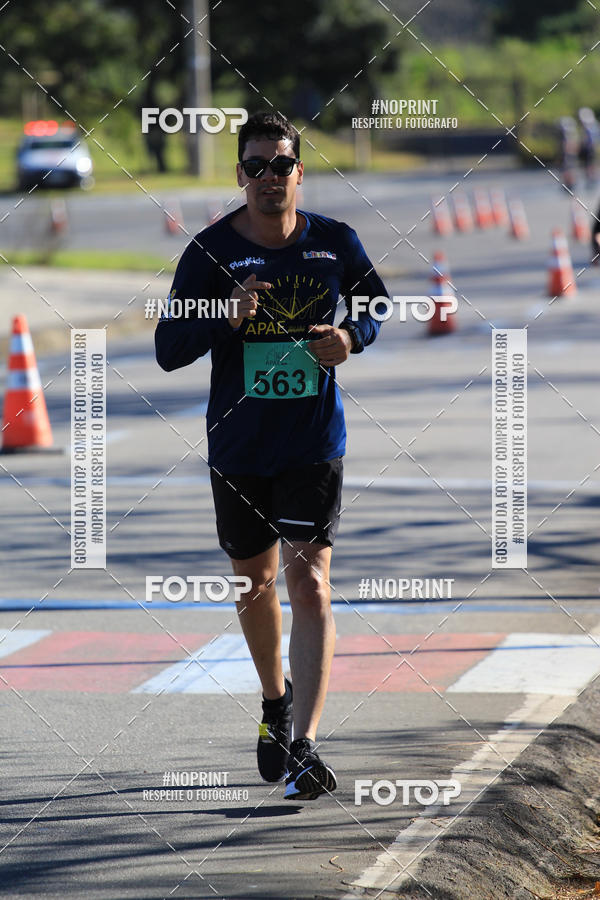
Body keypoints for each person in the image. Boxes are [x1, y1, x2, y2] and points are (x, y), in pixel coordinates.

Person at [155, 111, 387, 800]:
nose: (267, 179)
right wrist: (220, 316)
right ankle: (274, 700)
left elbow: (376, 302)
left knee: (308, 581)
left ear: (298, 172)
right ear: (239, 175)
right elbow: (168, 349)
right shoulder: (209, 251)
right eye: (254, 167)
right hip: (239, 446)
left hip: (313, 442)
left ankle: (307, 746)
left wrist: (353, 337)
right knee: (253, 586)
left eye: (279, 165)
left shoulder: (333, 243)